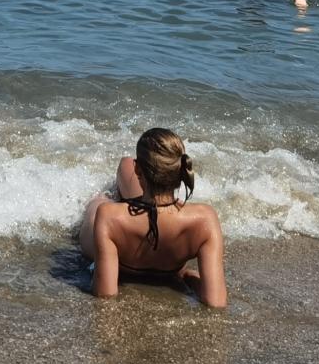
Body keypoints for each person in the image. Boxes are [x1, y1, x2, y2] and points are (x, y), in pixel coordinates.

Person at [76, 128, 227, 309]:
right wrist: (186, 277)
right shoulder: (205, 219)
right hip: (169, 262)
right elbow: (216, 302)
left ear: (138, 169)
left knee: (100, 199)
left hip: (121, 242)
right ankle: (147, 190)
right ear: (179, 170)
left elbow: (105, 294)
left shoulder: (107, 215)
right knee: (128, 168)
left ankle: (114, 195)